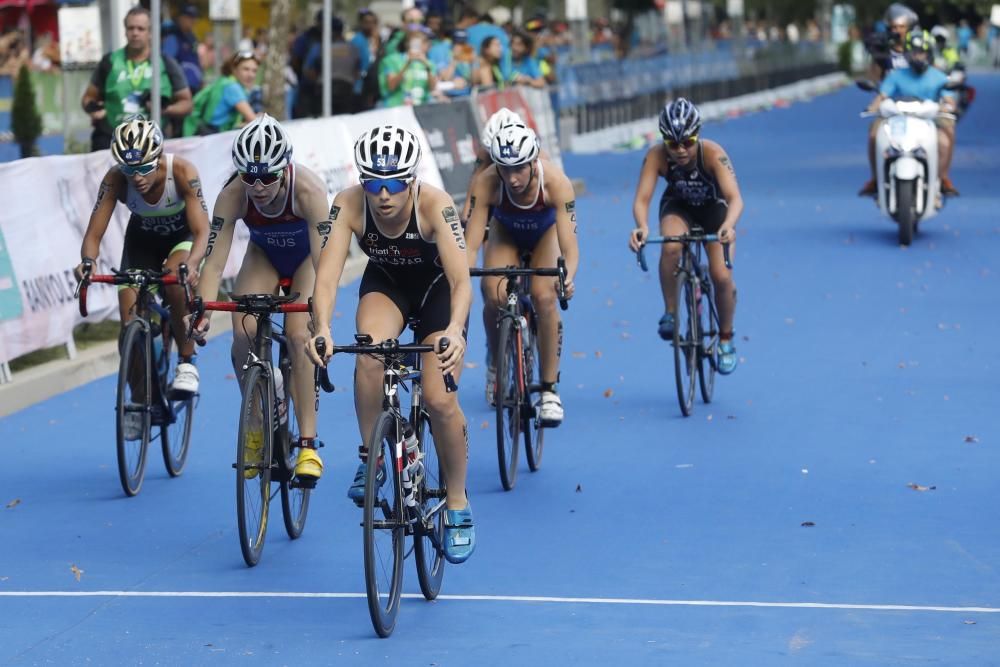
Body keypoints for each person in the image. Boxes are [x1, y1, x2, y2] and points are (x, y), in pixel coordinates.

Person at [306, 125, 476, 564]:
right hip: (388, 286)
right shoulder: (348, 203)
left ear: (412, 180)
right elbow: (325, 277)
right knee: (369, 354)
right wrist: (321, 326)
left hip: (437, 294)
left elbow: (461, 280)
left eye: (395, 183)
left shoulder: (436, 205)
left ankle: (456, 500)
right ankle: (372, 457)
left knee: (439, 401)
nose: (384, 194)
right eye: (374, 183)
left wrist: (455, 330)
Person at [188, 115, 331, 486]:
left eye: (267, 177)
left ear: (284, 167)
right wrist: (202, 310)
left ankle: (308, 445)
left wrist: (322, 319)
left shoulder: (309, 191)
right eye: (249, 177)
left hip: (305, 262)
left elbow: (325, 264)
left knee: (299, 336)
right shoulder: (233, 194)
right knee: (243, 333)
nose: (258, 186)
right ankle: (255, 427)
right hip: (264, 255)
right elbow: (215, 261)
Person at [74, 117, 209, 439]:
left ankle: (186, 362)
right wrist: (87, 262)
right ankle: (138, 401)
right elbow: (94, 231)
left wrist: (192, 263)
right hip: (141, 243)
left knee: (175, 282)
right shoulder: (116, 179)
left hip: (182, 239)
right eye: (129, 170)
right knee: (128, 323)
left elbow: (203, 230)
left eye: (145, 168)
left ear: (159, 156)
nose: (137, 178)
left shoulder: (182, 172)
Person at [465, 124, 579, 426]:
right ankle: (498, 359)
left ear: (532, 162)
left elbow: (570, 244)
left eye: (518, 169)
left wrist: (568, 275)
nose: (512, 178)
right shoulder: (488, 181)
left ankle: (549, 389)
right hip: (506, 234)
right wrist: (459, 272)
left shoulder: (555, 182)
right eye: (505, 169)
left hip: (545, 234)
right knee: (493, 293)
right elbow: (472, 241)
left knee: (544, 297)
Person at [628, 98, 742, 375]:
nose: (680, 150)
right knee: (670, 247)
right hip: (679, 207)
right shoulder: (656, 155)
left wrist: (728, 225)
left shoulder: (713, 154)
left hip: (714, 211)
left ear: (698, 136)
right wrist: (642, 226)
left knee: (722, 277)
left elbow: (734, 198)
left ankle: (725, 337)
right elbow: (642, 199)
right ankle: (670, 312)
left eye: (687, 142)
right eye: (672, 143)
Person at [861, 29, 960, 197]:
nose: (918, 57)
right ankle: (876, 179)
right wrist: (872, 107)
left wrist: (948, 107)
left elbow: (950, 101)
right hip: (897, 117)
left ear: (928, 54)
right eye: (914, 53)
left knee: (945, 138)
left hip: (930, 117)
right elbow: (882, 96)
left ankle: (942, 178)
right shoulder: (896, 75)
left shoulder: (939, 77)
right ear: (907, 54)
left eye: (921, 53)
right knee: (874, 135)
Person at [81, 7, 192, 150]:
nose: (135, 33)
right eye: (131, 28)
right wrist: (93, 109)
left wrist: (165, 109)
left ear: (151, 32)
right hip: (111, 139)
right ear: (125, 31)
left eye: (141, 29)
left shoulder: (164, 63)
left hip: (151, 141)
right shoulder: (110, 61)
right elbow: (88, 98)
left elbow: (187, 103)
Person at [182, 51, 259, 136]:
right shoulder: (232, 87)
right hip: (212, 136)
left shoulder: (224, 82)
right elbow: (254, 122)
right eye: (246, 69)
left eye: (254, 71)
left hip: (205, 132)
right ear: (234, 69)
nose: (251, 75)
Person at [303, 16, 360, 115]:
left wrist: (317, 80)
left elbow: (307, 70)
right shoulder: (352, 48)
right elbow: (357, 72)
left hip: (324, 89)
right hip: (346, 89)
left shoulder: (319, 47)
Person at [378, 28, 436, 107]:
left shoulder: (429, 64)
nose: (424, 46)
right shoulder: (392, 60)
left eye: (425, 43)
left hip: (420, 109)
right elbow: (391, 86)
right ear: (408, 44)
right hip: (396, 107)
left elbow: (432, 88)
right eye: (418, 43)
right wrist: (407, 64)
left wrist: (427, 66)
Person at [162, 4, 203, 94]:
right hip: (181, 88)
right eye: (189, 18)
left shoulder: (192, 38)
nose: (193, 21)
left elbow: (195, 61)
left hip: (194, 87)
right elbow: (167, 62)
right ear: (181, 18)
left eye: (194, 18)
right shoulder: (173, 38)